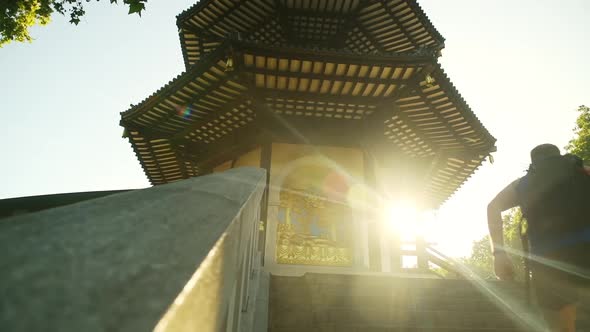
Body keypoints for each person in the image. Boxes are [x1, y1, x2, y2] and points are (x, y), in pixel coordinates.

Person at [487, 143, 590, 332]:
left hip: (548, 264)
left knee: (561, 328)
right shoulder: (582, 172)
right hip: (586, 255)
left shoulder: (524, 182)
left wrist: (499, 254)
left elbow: (492, 206)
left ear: (533, 163)